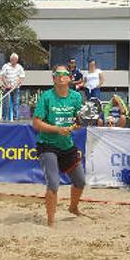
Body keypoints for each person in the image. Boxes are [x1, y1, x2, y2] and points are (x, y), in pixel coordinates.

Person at [32, 65, 86, 227]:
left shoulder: (76, 97)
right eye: (58, 74)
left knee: (80, 181)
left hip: (66, 145)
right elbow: (36, 123)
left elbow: (79, 121)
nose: (61, 76)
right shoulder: (47, 97)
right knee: (54, 183)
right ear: (54, 78)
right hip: (47, 145)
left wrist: (77, 125)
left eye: (64, 74)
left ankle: (73, 207)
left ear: (69, 78)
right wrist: (57, 129)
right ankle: (50, 222)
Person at [0, 53, 25, 121]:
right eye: (12, 59)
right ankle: (5, 118)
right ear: (10, 59)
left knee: (16, 103)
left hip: (16, 88)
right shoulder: (6, 66)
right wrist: (7, 84)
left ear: (17, 60)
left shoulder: (19, 67)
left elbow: (21, 78)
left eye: (15, 59)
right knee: (6, 104)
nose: (13, 60)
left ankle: (15, 118)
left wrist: (15, 85)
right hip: (7, 88)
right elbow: (3, 76)